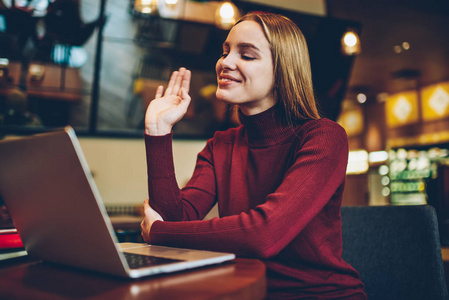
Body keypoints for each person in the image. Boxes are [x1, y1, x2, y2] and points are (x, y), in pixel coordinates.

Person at [140, 11, 367, 299]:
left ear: (282, 71)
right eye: (225, 52)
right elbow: (174, 218)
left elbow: (264, 235)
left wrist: (159, 232)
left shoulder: (324, 137)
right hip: (246, 291)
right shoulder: (221, 144)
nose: (225, 63)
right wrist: (157, 131)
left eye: (246, 55)